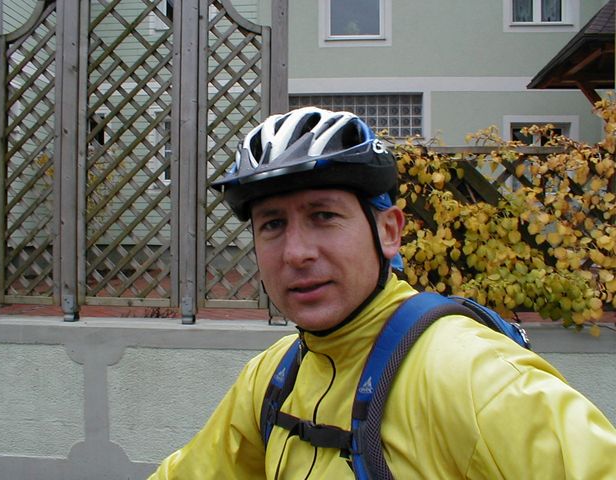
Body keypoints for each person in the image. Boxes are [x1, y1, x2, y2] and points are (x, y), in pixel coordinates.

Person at [148, 107, 616, 479]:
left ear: (389, 232)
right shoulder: (272, 377)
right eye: (272, 224)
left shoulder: (474, 374)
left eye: (323, 216)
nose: (296, 253)